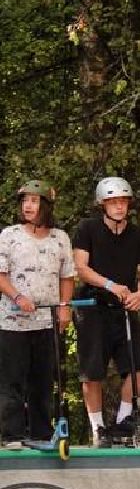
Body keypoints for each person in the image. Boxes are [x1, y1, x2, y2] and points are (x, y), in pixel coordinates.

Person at [70, 177, 140, 447]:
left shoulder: (138, 235)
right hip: (93, 307)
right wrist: (109, 284)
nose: (119, 207)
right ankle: (98, 428)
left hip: (125, 308)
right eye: (113, 202)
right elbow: (80, 267)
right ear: (103, 204)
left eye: (123, 201)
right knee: (92, 372)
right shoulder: (88, 228)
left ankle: (123, 422)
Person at [0, 182, 74, 450]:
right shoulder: (9, 235)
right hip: (12, 322)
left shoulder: (60, 238)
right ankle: (12, 436)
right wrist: (18, 297)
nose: (28, 206)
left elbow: (67, 276)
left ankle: (42, 434)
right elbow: (1, 275)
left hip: (46, 321)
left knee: (43, 380)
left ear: (46, 206)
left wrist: (64, 306)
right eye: (25, 201)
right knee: (12, 380)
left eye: (34, 201)